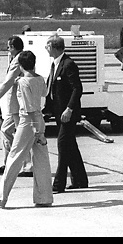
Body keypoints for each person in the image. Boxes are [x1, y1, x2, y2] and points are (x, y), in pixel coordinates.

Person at [0, 51, 53, 208]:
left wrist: (35, 130)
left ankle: (1, 197)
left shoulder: (23, 82)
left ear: (21, 65)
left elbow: (29, 108)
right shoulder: (39, 79)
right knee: (42, 161)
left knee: (14, 158)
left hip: (28, 122)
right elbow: (44, 93)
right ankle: (44, 197)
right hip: (39, 120)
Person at [45, 33, 87, 192]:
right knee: (70, 146)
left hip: (68, 114)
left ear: (54, 47)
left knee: (63, 145)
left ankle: (58, 184)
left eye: (47, 46)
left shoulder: (68, 64)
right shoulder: (55, 64)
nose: (46, 49)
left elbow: (77, 88)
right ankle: (80, 179)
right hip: (58, 112)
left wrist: (69, 108)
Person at [0, 35, 32, 177]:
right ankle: (11, 164)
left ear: (13, 47)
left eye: (8, 47)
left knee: (17, 134)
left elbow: (8, 82)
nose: (7, 49)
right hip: (16, 105)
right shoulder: (18, 58)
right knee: (8, 131)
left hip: (19, 105)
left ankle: (24, 165)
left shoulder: (18, 60)